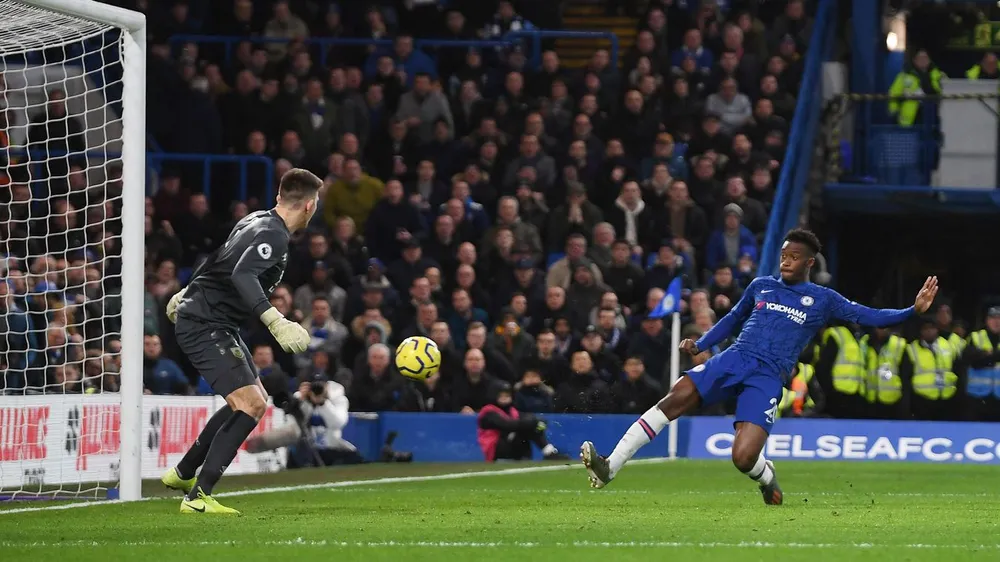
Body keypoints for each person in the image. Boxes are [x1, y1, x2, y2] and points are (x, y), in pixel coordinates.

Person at [580, 229, 939, 505]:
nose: (785, 260)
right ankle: (610, 466)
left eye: (794, 256)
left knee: (743, 456)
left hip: (768, 376)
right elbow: (733, 319)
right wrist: (701, 344)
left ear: (809, 263)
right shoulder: (761, 286)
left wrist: (911, 311)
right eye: (783, 254)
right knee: (677, 396)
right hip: (735, 358)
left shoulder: (823, 300)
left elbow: (868, 315)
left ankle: (767, 478)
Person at [159, 168, 322, 515]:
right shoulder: (275, 236)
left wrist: (187, 290)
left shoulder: (256, 219)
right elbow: (242, 274)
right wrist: (276, 321)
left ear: (280, 197)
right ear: (309, 206)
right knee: (252, 405)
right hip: (206, 323)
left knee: (252, 399)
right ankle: (198, 497)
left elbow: (218, 258)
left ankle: (184, 473)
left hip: (214, 320)